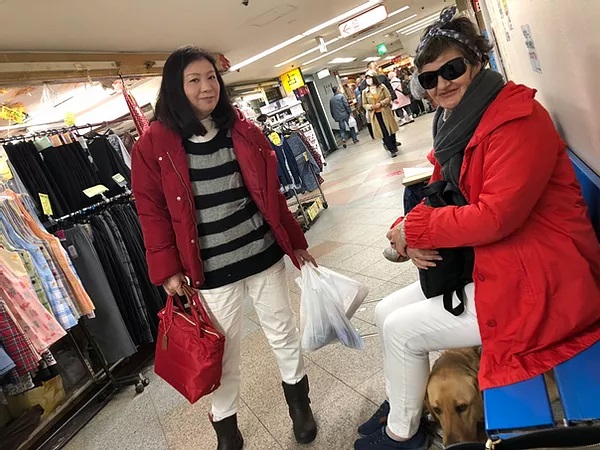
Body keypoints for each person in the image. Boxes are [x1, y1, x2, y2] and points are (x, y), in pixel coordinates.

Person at [355, 7, 600, 450]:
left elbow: (496, 217)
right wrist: (405, 231)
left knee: (400, 331)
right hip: (502, 261)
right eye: (429, 78)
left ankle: (402, 434)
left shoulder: (516, 122)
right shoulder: (457, 125)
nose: (441, 84)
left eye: (452, 69)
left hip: (541, 280)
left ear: (477, 61)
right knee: (383, 312)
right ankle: (403, 402)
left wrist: (421, 230)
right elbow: (434, 191)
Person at [131, 46, 319, 450]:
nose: (206, 87)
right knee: (223, 353)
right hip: (210, 271)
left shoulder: (243, 130)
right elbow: (151, 212)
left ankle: (300, 406)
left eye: (211, 78)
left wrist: (295, 243)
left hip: (262, 254)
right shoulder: (154, 144)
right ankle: (227, 432)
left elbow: (270, 196)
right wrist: (167, 270)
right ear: (175, 88)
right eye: (194, 80)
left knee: (283, 332)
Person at [362, 70, 399, 158]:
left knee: (391, 130)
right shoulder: (365, 92)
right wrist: (371, 107)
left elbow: (388, 97)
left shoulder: (382, 87)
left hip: (385, 112)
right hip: (375, 115)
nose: (368, 80)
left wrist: (381, 103)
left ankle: (394, 143)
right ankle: (391, 149)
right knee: (383, 132)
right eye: (367, 78)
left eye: (370, 78)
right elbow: (364, 104)